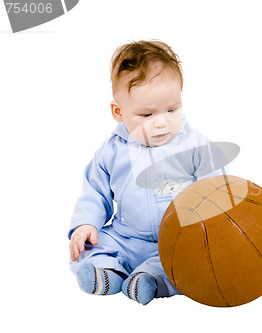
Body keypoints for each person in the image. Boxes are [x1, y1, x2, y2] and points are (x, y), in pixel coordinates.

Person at [68, 40, 222, 305]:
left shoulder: (194, 144)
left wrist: (210, 226)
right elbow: (95, 190)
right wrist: (86, 223)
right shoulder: (112, 150)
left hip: (178, 240)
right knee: (88, 247)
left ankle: (150, 278)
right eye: (147, 114)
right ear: (119, 111)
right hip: (126, 235)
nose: (162, 121)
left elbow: (216, 185)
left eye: (172, 109)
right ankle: (108, 271)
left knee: (193, 263)